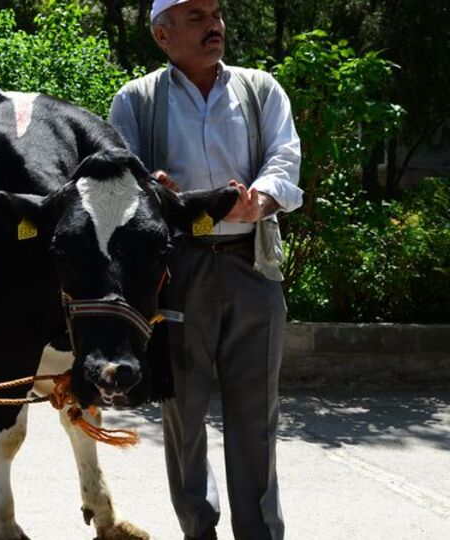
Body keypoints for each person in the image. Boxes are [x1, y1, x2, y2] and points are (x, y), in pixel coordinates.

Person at [109, 1, 303, 539]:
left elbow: (285, 159)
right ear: (162, 35)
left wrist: (260, 200)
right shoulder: (135, 101)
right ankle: (200, 530)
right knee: (183, 416)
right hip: (179, 272)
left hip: (252, 266)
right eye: (195, 16)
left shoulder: (260, 89)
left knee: (255, 420)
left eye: (216, 13)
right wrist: (153, 190)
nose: (214, 25)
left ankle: (259, 533)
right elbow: (122, 184)